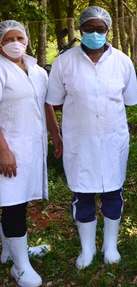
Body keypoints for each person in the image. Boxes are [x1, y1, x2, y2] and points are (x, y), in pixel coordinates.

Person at [46, 6, 137, 269]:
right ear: (80, 29)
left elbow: (130, 100)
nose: (95, 34)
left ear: (108, 31)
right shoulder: (64, 63)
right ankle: (87, 250)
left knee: (113, 191)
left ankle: (110, 246)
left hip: (113, 139)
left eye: (101, 29)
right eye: (89, 28)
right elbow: (52, 101)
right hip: (80, 141)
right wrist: (56, 135)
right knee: (82, 194)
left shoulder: (122, 61)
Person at [0, 20, 63, 286]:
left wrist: (56, 134)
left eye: (20, 37)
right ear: (0, 43)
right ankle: (20, 267)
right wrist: (3, 150)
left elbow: (46, 105)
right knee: (12, 203)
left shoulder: (36, 70)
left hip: (31, 148)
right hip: (8, 147)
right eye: (9, 38)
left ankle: (11, 251)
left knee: (19, 199)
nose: (16, 43)